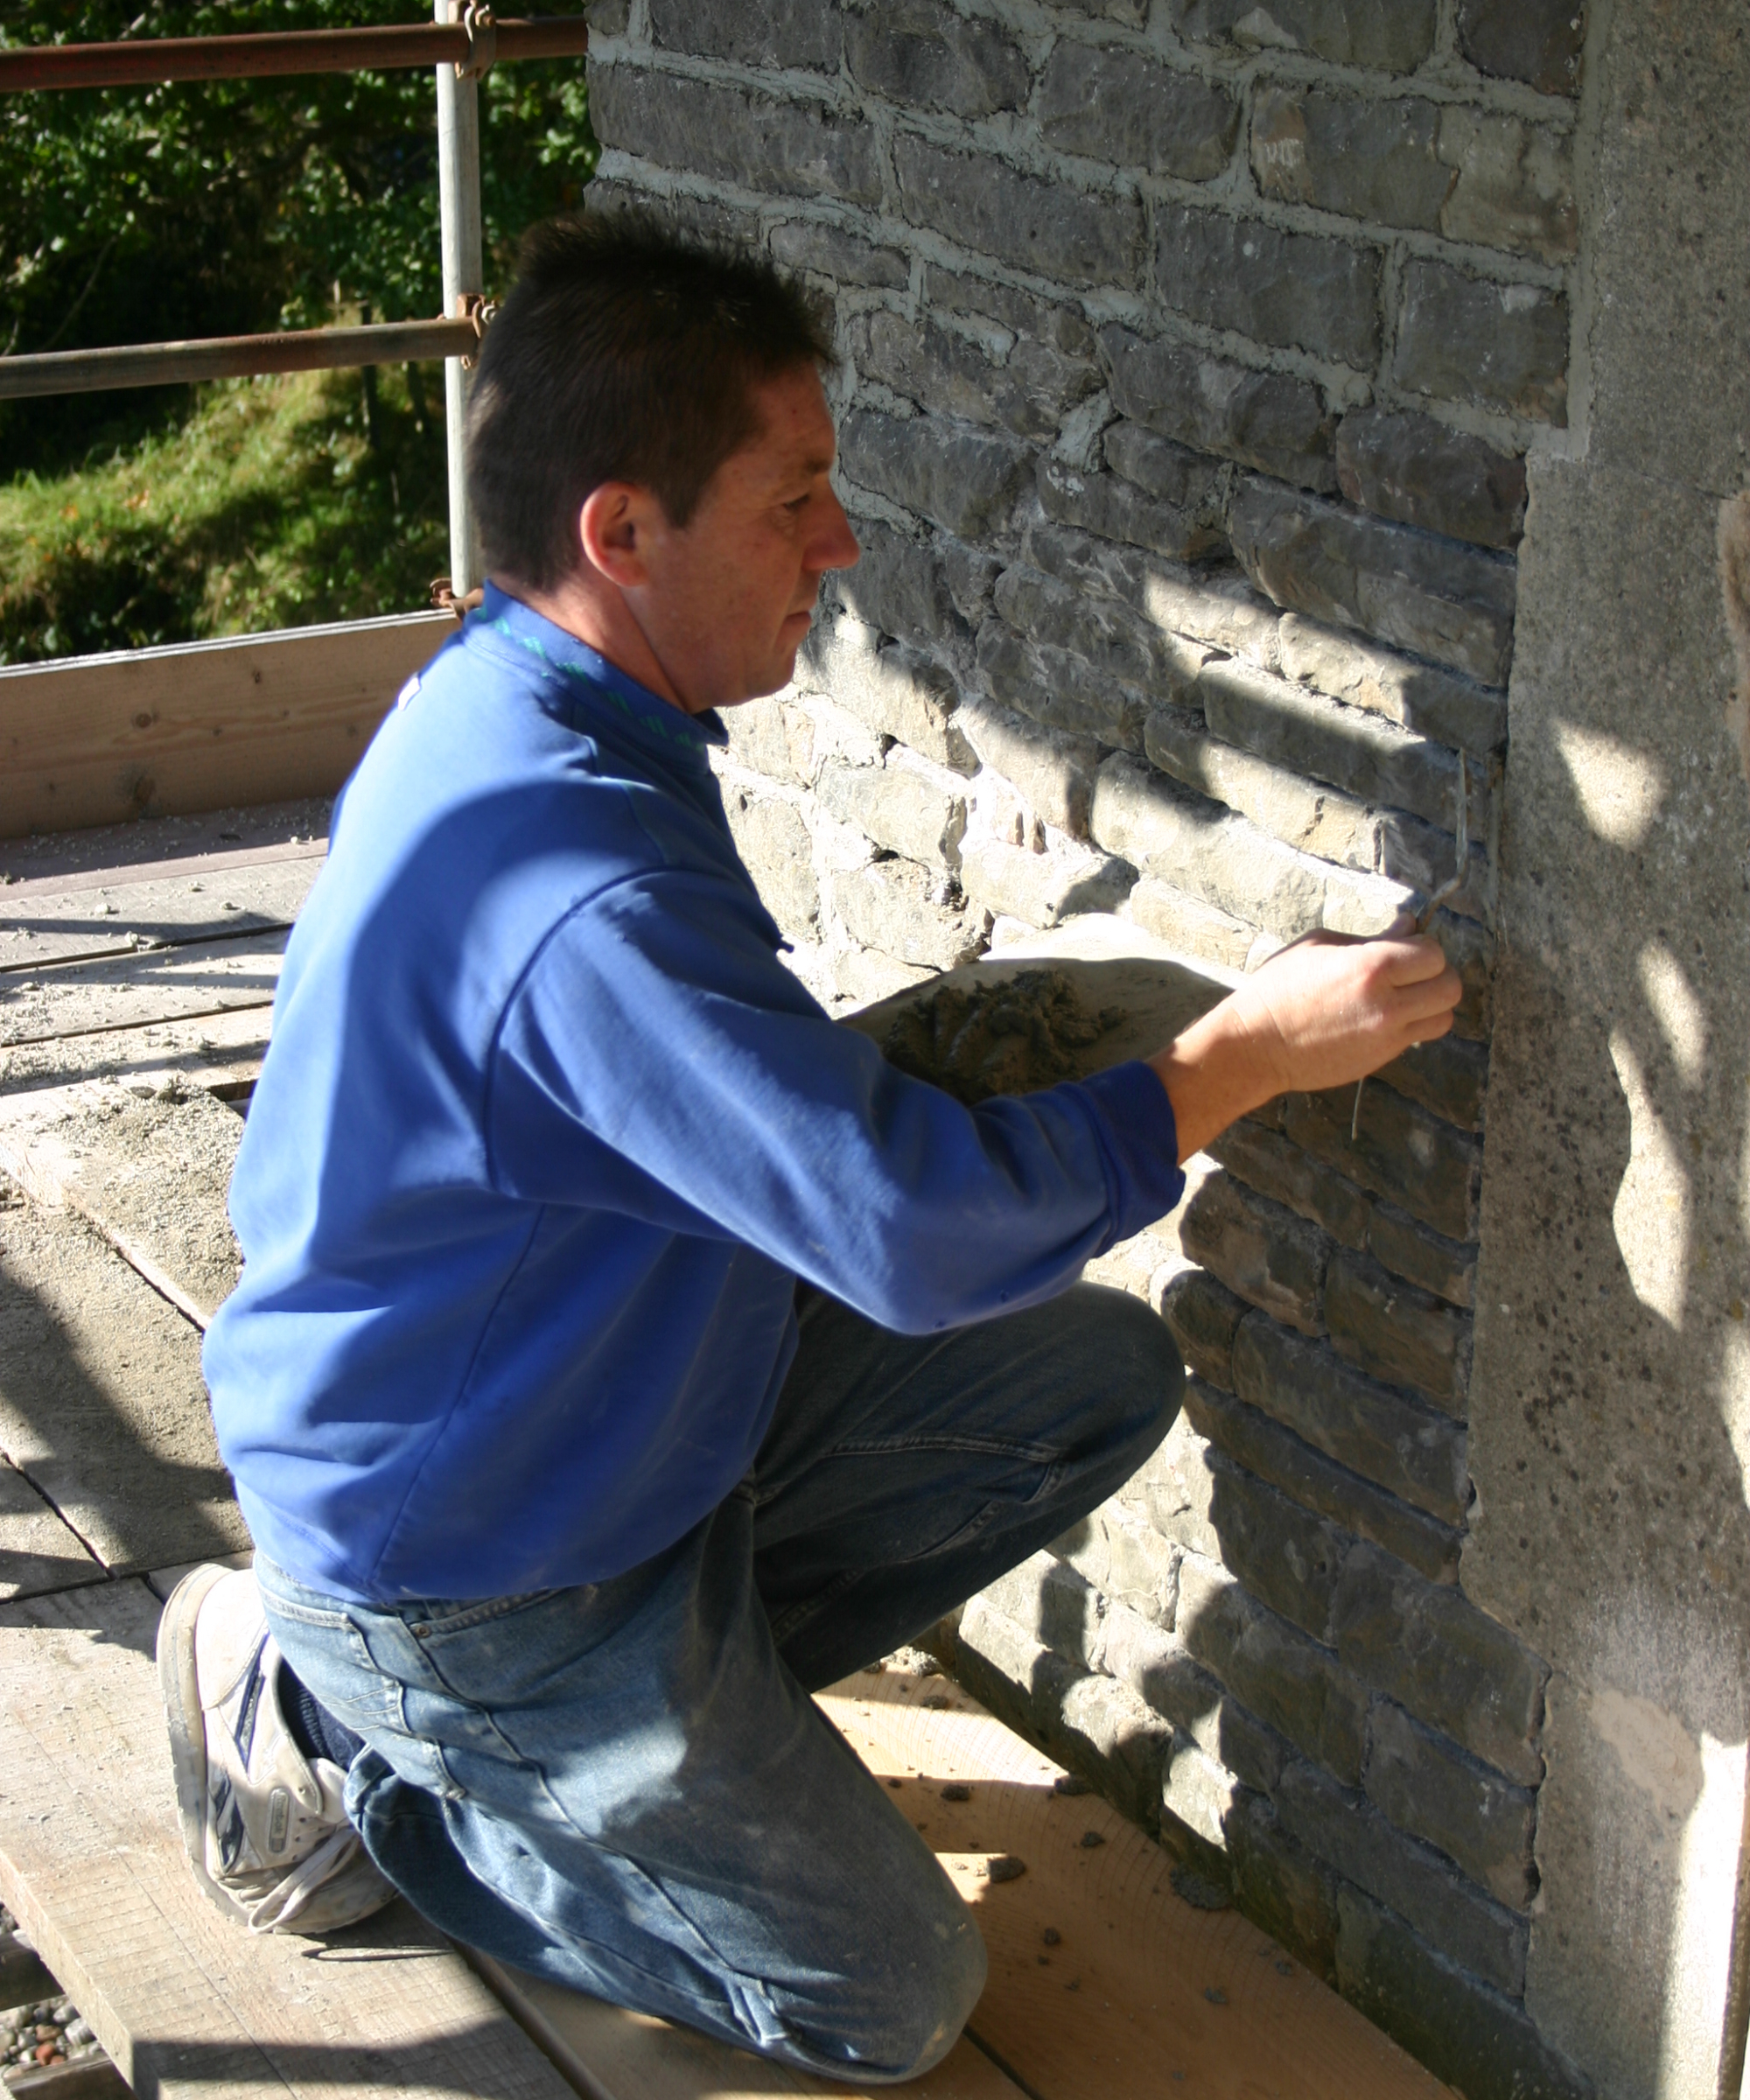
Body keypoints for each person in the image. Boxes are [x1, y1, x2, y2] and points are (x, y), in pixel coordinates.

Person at [158, 215, 1462, 2075]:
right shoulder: (568, 879)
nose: (837, 546)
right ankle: (350, 1765)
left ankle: (642, 1756)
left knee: (1081, 1375)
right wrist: (1237, 1057)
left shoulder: (527, 705)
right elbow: (902, 1238)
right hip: (476, 1570)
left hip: (593, 1430)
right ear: (621, 533)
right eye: (796, 500)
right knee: (885, 1999)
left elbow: (698, 1124)